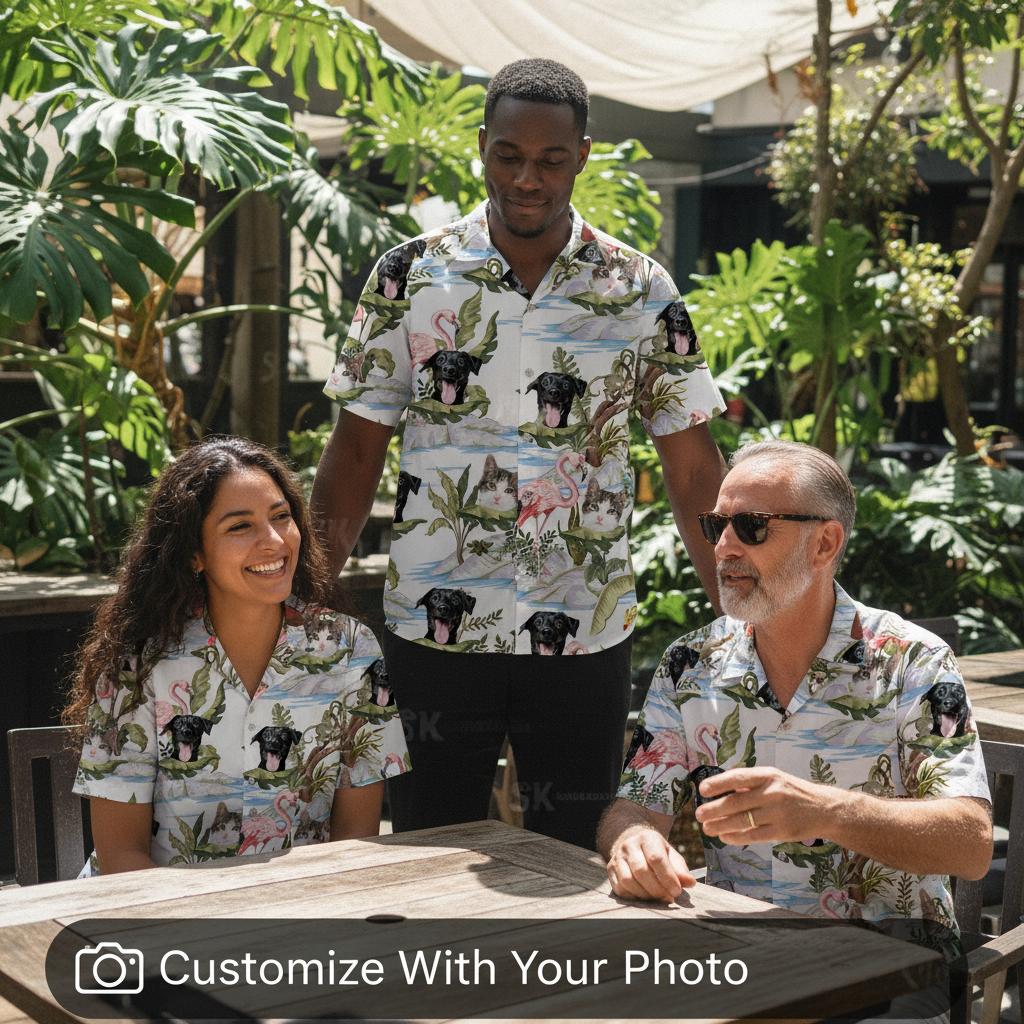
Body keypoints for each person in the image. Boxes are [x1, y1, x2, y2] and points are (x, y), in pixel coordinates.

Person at [312, 58, 726, 850]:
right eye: (508, 155)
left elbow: (693, 467)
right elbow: (356, 451)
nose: (527, 178)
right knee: (429, 858)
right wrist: (309, 598)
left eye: (550, 159)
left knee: (575, 858)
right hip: (434, 636)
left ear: (583, 156)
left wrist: (736, 606)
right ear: (481, 147)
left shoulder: (641, 290)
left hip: (581, 637)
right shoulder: (409, 277)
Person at [599, 439, 992, 929]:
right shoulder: (689, 665)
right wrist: (632, 840)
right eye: (716, 525)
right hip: (740, 957)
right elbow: (635, 806)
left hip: (889, 976)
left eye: (751, 526)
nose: (723, 546)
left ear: (824, 544)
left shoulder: (914, 662)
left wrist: (828, 811)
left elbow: (971, 844)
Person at [65, 438, 409, 874]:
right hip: (157, 920)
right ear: (194, 554)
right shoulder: (137, 665)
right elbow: (121, 856)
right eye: (239, 526)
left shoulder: (351, 651)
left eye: (281, 517)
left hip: (298, 913)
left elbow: (356, 840)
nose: (273, 541)